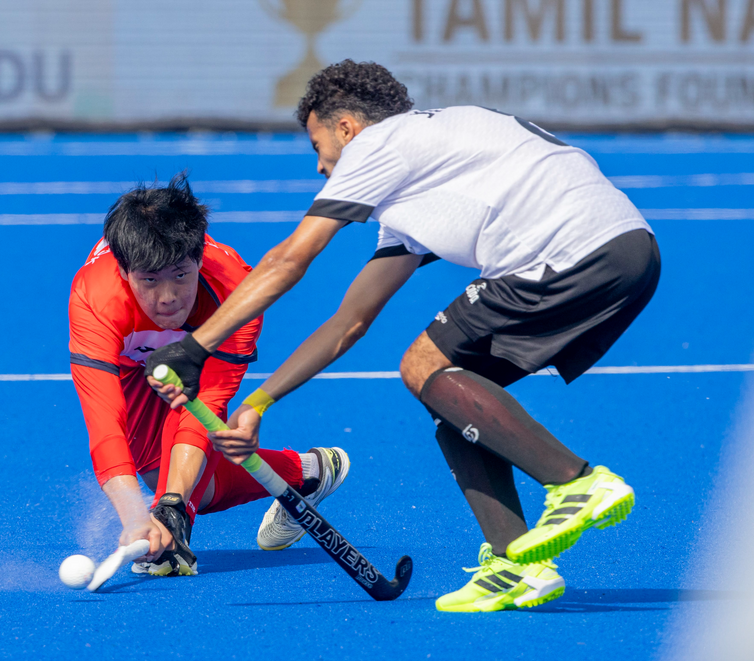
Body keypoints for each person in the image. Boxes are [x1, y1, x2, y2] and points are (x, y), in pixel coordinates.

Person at [144, 62, 660, 610]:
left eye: (318, 146)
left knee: (421, 365)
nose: (320, 166)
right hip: (629, 252)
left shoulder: (377, 146)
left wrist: (195, 347)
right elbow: (350, 321)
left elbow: (290, 259)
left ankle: (575, 482)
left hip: (564, 251)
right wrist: (258, 403)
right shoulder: (421, 165)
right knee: (451, 393)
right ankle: (516, 566)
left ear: (347, 128)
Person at [69, 173, 349, 577]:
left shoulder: (237, 294)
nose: (168, 297)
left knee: (179, 482)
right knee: (164, 474)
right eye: (149, 280)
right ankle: (306, 472)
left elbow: (204, 407)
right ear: (124, 270)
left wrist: (172, 507)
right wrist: (134, 516)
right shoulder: (94, 300)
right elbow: (104, 423)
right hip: (132, 360)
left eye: (181, 275)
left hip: (199, 357)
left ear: (199, 260)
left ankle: (183, 510)